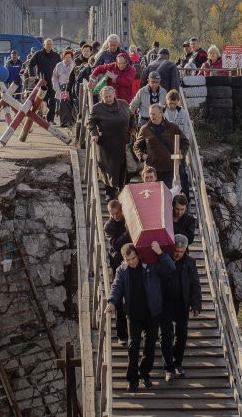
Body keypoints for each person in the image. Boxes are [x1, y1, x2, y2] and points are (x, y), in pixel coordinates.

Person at [105, 241, 175, 391]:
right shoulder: (121, 271)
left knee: (149, 348)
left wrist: (160, 253)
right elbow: (116, 287)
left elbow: (170, 268)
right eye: (127, 260)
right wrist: (111, 302)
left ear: (138, 255)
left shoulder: (150, 265)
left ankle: (145, 373)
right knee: (133, 346)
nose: (131, 262)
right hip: (134, 314)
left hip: (152, 313)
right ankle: (132, 378)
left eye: (133, 259)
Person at [160, 234, 202, 382]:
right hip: (165, 303)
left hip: (181, 303)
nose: (177, 254)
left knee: (182, 335)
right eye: (176, 250)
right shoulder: (164, 259)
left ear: (185, 250)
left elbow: (195, 284)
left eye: (181, 251)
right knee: (165, 335)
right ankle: (169, 368)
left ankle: (178, 363)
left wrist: (196, 305)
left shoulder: (190, 262)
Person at [88, 86, 135, 200]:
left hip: (123, 141)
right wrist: (94, 134)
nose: (108, 99)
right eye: (106, 97)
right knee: (109, 168)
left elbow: (132, 116)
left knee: (123, 166)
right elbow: (91, 123)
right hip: (107, 143)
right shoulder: (97, 108)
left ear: (114, 94)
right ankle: (109, 192)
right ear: (101, 97)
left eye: (110, 96)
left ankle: (122, 190)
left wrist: (133, 128)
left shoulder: (123, 104)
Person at [134, 104, 190, 190]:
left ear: (161, 114)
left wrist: (180, 153)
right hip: (151, 169)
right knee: (151, 194)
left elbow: (185, 142)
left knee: (167, 193)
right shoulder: (144, 129)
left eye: (154, 114)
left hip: (168, 167)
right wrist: (141, 155)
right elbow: (137, 146)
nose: (151, 116)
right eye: (150, 114)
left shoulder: (173, 127)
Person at [104, 199, 131, 344]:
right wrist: (128, 231)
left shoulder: (126, 217)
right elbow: (116, 244)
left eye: (117, 213)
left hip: (133, 259)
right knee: (119, 297)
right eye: (111, 214)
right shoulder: (109, 226)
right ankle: (122, 334)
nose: (115, 216)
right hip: (118, 262)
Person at [164, 90, 191, 203]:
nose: (172, 106)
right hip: (165, 147)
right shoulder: (161, 111)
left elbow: (187, 130)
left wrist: (184, 145)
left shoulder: (183, 113)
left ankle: (185, 197)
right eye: (170, 103)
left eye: (174, 104)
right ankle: (168, 196)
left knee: (182, 171)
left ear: (178, 102)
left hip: (179, 146)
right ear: (167, 101)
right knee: (167, 171)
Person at [28, 38, 62, 123]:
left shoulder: (56, 56)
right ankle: (38, 116)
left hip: (53, 81)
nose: (49, 46)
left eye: (50, 44)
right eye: (47, 44)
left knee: (53, 100)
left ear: (52, 45)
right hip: (42, 81)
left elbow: (60, 67)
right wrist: (31, 74)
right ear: (44, 45)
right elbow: (30, 64)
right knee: (43, 99)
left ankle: (50, 120)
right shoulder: (38, 54)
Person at [52, 49, 76, 127]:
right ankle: (64, 122)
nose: (67, 59)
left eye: (69, 57)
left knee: (71, 104)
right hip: (63, 86)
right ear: (63, 57)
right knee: (63, 104)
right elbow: (54, 77)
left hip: (72, 86)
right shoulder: (59, 65)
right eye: (66, 57)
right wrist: (57, 88)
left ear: (72, 58)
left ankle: (71, 121)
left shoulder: (74, 65)